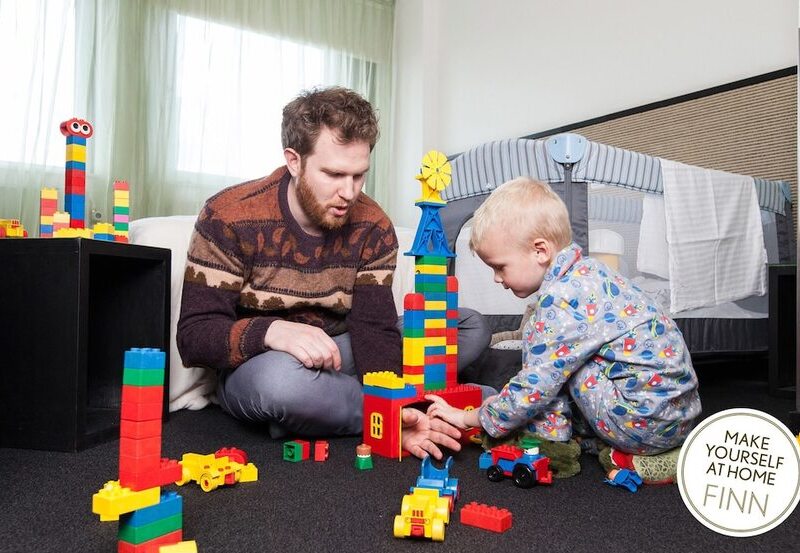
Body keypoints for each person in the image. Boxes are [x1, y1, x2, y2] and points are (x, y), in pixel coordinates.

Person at [177, 86, 489, 460]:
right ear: (294, 161)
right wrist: (274, 331)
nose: (349, 192)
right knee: (281, 384)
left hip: (343, 350)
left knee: (467, 325)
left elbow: (374, 330)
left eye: (359, 176)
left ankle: (327, 409)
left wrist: (386, 396)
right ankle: (419, 409)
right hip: (265, 363)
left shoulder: (372, 225)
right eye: (334, 174)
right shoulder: (228, 216)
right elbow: (194, 338)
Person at [427, 177, 702, 481]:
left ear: (540, 251)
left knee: (552, 370)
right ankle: (656, 450)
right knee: (565, 361)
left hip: (643, 421)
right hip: (679, 414)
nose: (496, 278)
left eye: (500, 266)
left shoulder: (559, 302)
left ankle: (555, 441)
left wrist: (473, 417)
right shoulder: (592, 273)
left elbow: (537, 386)